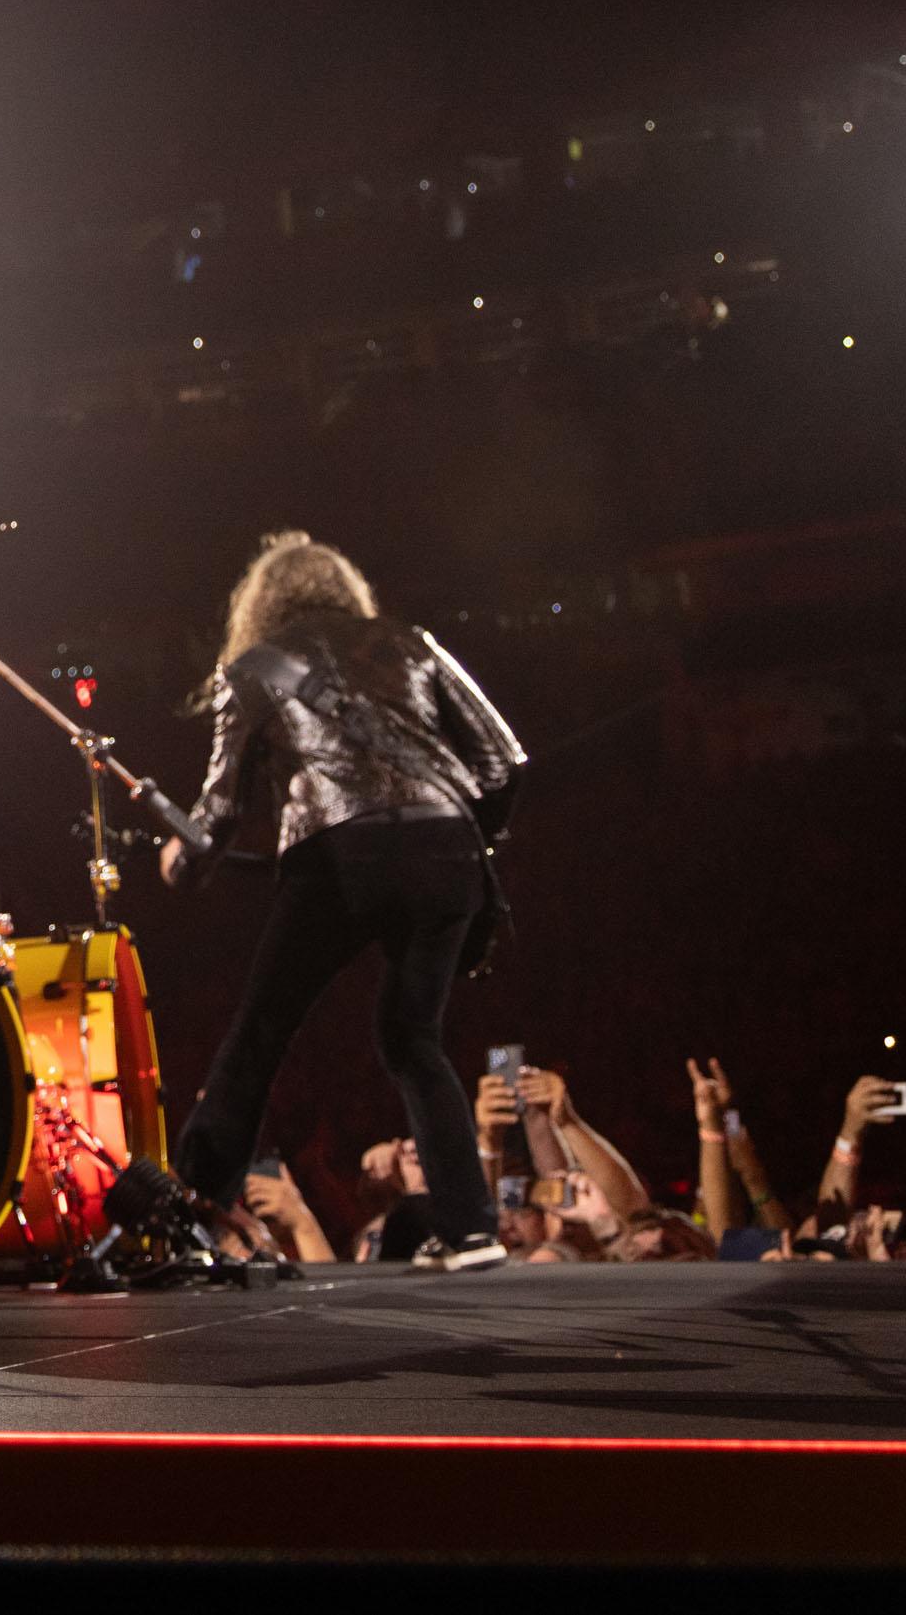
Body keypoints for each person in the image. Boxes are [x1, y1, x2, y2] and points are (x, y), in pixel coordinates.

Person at [160, 531, 525, 1270]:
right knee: (413, 1038)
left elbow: (219, 812)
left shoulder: (254, 667)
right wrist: (459, 837)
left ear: (261, 605)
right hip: (446, 850)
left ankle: (189, 1221)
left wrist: (180, 863)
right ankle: (471, 1230)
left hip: (338, 857)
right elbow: (503, 761)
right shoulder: (411, 643)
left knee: (260, 1035)